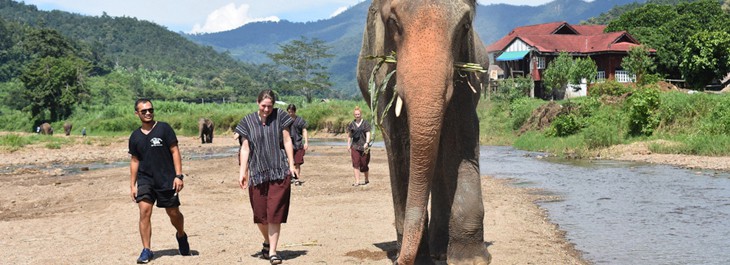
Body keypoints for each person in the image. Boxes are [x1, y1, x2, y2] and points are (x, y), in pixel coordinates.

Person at [235, 90, 297, 265]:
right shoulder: (247, 122)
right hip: (257, 173)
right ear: (257, 103)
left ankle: (273, 252)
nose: (267, 109)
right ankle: (267, 241)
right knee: (260, 215)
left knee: (275, 213)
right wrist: (243, 172)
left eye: (270, 106)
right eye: (263, 106)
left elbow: (287, 140)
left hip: (278, 170)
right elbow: (245, 148)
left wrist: (291, 164)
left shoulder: (281, 116)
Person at [128, 99, 190, 264]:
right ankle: (146, 250)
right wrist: (132, 185)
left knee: (173, 213)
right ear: (137, 114)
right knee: (144, 212)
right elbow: (135, 161)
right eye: (144, 111)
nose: (148, 113)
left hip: (166, 178)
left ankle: (181, 235)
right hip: (145, 179)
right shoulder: (135, 136)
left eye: (150, 110)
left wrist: (178, 175)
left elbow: (175, 151)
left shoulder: (164, 129)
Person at [347, 106, 371, 186]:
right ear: (354, 115)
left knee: (364, 164)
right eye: (356, 114)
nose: (357, 115)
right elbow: (350, 135)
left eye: (358, 114)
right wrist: (348, 145)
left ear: (361, 114)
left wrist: (367, 143)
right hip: (355, 146)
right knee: (355, 163)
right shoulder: (351, 124)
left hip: (364, 147)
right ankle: (357, 181)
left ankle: (366, 179)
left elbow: (368, 133)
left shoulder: (365, 123)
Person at [286, 104, 308, 186]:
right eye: (289, 112)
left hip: (298, 144)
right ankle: (291, 177)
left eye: (291, 112)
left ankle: (297, 179)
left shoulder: (300, 120)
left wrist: (306, 142)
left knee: (298, 162)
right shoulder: (285, 120)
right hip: (289, 145)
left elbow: (304, 130)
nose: (290, 113)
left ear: (294, 111)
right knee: (289, 162)